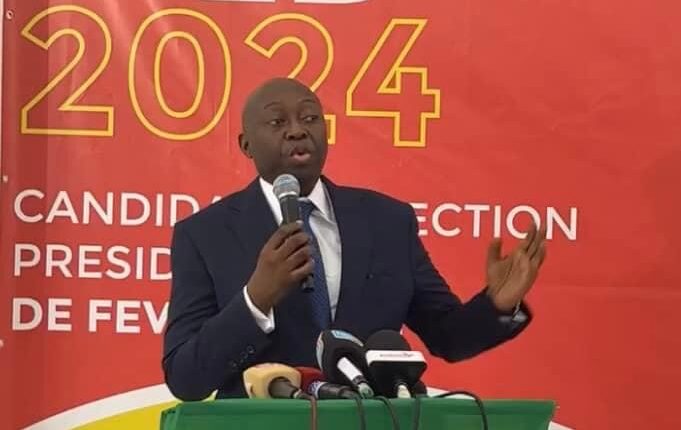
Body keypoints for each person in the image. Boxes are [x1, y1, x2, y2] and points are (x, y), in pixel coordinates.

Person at [162, 77, 546, 401]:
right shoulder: (204, 235)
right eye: (277, 122)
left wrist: (496, 305)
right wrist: (256, 300)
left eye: (310, 118)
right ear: (246, 145)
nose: (297, 130)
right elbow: (185, 377)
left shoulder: (388, 222)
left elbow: (448, 337)